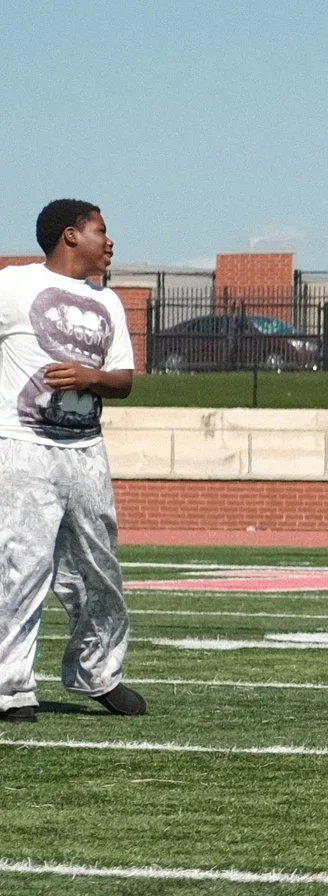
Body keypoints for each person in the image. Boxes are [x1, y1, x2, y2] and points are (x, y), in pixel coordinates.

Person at [0, 200, 144, 727]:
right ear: (70, 236)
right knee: (21, 567)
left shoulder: (109, 303)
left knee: (98, 569)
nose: (109, 242)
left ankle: (97, 673)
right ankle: (11, 689)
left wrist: (89, 377)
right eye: (101, 231)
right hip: (22, 447)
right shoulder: (13, 285)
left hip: (86, 451)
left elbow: (124, 380)